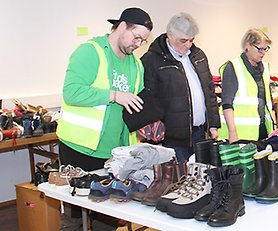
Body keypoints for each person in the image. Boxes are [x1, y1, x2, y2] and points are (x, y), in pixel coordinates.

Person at [56, 7, 153, 230]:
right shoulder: (90, 52)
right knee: (74, 217)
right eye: (136, 37)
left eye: (143, 41)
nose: (138, 44)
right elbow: (72, 92)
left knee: (107, 216)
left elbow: (132, 106)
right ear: (121, 26)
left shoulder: (136, 65)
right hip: (79, 148)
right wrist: (113, 95)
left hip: (113, 154)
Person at [140, 12, 220, 162]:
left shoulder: (198, 55)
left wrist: (213, 124)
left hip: (200, 134)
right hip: (172, 139)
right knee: (179, 181)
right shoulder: (152, 60)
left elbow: (209, 91)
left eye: (191, 40)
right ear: (170, 35)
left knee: (202, 178)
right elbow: (148, 100)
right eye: (183, 40)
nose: (188, 45)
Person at [218, 28, 275, 143]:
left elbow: (268, 102)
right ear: (248, 46)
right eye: (259, 49)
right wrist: (232, 133)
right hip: (240, 134)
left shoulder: (265, 68)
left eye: (266, 49)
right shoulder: (233, 67)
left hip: (262, 130)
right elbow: (227, 104)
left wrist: (274, 127)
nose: (263, 53)